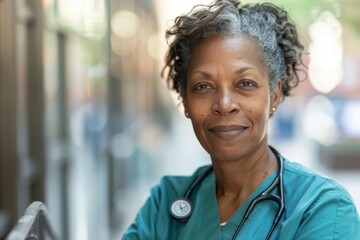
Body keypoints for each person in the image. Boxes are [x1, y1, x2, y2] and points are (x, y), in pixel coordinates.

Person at [123, 0, 360, 239]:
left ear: (274, 94)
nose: (224, 104)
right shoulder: (166, 202)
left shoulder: (321, 207)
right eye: (203, 86)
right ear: (185, 101)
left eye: (245, 84)